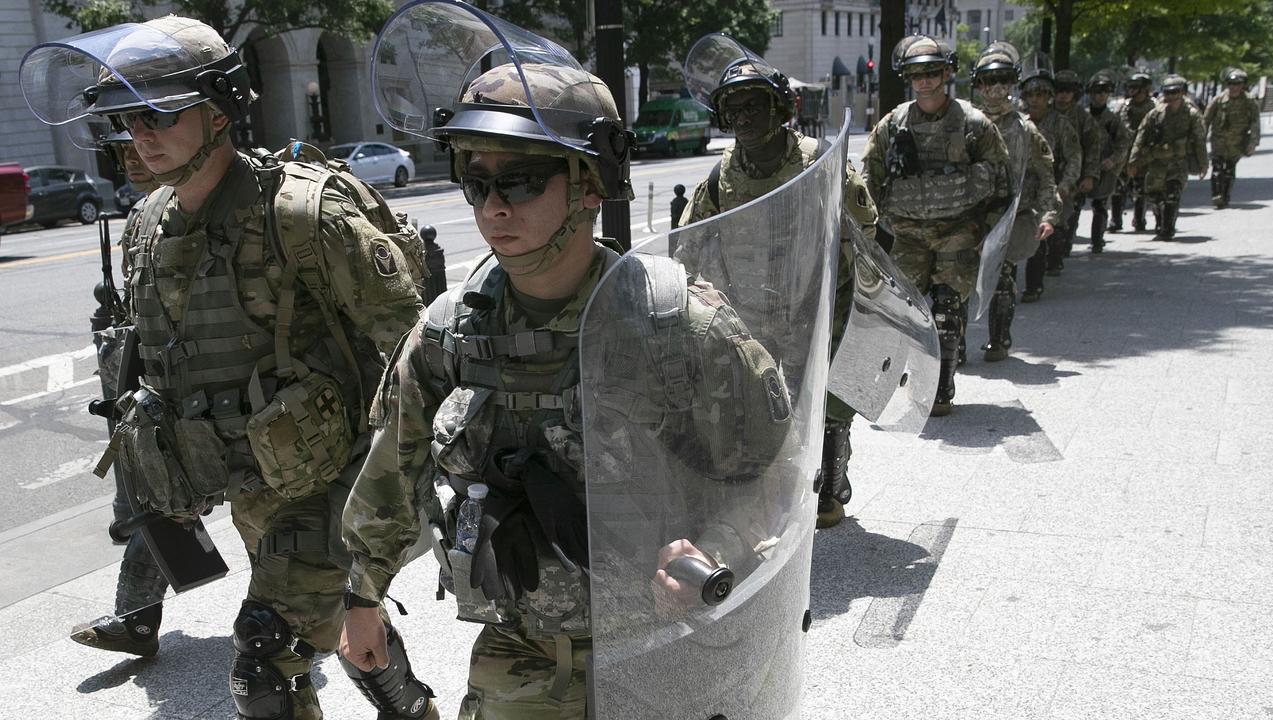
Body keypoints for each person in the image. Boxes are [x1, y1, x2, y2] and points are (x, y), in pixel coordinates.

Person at [339, 6, 814, 718]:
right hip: (520, 659)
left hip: (663, 651)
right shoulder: (451, 334)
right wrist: (362, 597)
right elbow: (390, 472)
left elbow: (777, 465)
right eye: (477, 179)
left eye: (523, 180)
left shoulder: (671, 323)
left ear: (590, 184)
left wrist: (713, 550)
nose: (494, 205)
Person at [20, 15, 437, 720]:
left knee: (264, 662)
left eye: (158, 113)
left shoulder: (305, 213)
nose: (140, 134)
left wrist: (395, 514)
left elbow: (419, 362)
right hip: (255, 490)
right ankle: (412, 709)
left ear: (220, 111)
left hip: (336, 485)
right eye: (126, 118)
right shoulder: (148, 225)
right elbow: (163, 371)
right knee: (332, 629)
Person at [677, 40, 878, 528]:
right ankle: (767, 495)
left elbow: (864, 229)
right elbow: (690, 240)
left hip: (815, 309)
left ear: (778, 109)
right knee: (756, 409)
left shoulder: (817, 161)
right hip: (750, 313)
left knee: (823, 408)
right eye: (733, 109)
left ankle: (830, 478)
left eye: (753, 106)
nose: (743, 118)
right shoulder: (723, 173)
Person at [861, 35, 1011, 416]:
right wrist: (866, 230)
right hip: (907, 232)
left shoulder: (974, 124)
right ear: (907, 77)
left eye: (931, 72)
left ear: (946, 73)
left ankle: (941, 389)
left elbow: (1001, 181)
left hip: (956, 230)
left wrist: (987, 236)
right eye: (916, 74)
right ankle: (909, 373)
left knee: (945, 310)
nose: (924, 81)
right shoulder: (893, 124)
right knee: (905, 313)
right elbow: (868, 178)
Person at [72, 131, 170, 658]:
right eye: (123, 152)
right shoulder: (143, 217)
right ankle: (137, 622)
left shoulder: (196, 209)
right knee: (160, 505)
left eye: (139, 147)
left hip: (218, 385)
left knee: (265, 511)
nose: (132, 160)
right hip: (158, 388)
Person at [971, 43, 1059, 362]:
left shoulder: (1025, 129)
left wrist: (1048, 214)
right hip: (968, 217)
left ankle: (999, 340)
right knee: (955, 284)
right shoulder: (966, 123)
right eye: (989, 79)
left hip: (1008, 217)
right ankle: (952, 349)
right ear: (978, 84)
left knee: (1003, 279)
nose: (996, 87)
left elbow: (1045, 174)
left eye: (1004, 79)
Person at [1017, 64, 1081, 303]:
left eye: (1040, 95)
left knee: (1040, 235)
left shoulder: (1061, 124)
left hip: (1047, 186)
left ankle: (1034, 285)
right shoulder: (1017, 122)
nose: (1035, 100)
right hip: (1019, 189)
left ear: (1048, 97)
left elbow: (1074, 156)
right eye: (1031, 95)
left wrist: (1066, 185)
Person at [1128, 74, 1208, 241]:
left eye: (1175, 92)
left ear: (1182, 93)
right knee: (1155, 196)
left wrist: (1203, 163)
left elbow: (1200, 140)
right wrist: (1133, 161)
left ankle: (1167, 228)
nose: (1171, 96)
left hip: (1178, 161)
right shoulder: (1155, 114)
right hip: (1157, 161)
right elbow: (1141, 136)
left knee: (1172, 194)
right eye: (1167, 92)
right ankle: (1161, 221)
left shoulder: (1192, 115)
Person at [1050, 69, 1101, 273]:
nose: (1063, 95)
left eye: (1068, 91)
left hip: (1071, 174)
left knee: (1066, 216)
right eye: (1059, 90)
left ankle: (1058, 254)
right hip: (1046, 173)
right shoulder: (1045, 113)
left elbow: (1092, 148)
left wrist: (1089, 175)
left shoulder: (1083, 118)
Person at [1084, 70, 1132, 253]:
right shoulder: (1083, 117)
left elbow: (1123, 143)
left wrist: (1113, 160)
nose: (1099, 96)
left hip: (1104, 168)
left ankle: (1097, 240)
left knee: (1100, 204)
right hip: (1083, 166)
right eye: (1096, 92)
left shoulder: (1113, 120)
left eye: (1103, 92)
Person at [1203, 68, 1261, 209]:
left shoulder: (1249, 101)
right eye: (1231, 84)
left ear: (1243, 85)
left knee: (1229, 169)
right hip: (1219, 140)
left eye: (1237, 84)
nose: (1234, 87)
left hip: (1237, 141)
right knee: (1217, 167)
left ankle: (1225, 195)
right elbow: (1206, 119)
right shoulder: (1218, 100)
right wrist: (1200, 139)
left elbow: (1255, 122)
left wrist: (1253, 142)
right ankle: (1216, 195)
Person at [1113, 72, 1157, 231]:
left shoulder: (1154, 107)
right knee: (1118, 187)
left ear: (1145, 89)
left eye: (1135, 87)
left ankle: (1139, 219)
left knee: (1140, 188)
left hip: (1143, 155)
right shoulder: (1123, 107)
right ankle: (1115, 220)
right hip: (1123, 154)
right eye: (1129, 87)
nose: (1131, 90)